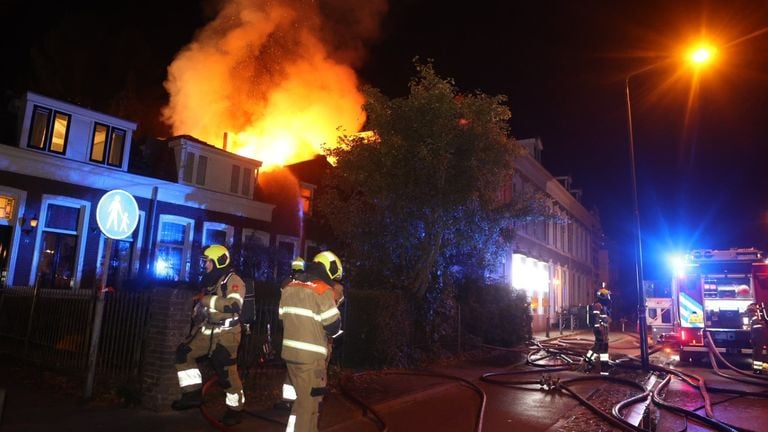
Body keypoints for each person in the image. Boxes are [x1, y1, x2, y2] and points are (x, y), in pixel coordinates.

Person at [171, 244, 246, 427]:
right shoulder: (212, 281)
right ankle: (192, 394)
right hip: (209, 329)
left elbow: (234, 305)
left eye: (208, 262)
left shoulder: (233, 280)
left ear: (218, 261)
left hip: (228, 333)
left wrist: (206, 300)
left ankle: (235, 410)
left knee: (225, 371)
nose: (205, 265)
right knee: (184, 353)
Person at [279, 251, 343, 432]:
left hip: (290, 354)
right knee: (309, 406)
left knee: (302, 401)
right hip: (311, 359)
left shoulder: (290, 287)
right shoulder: (323, 291)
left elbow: (282, 316)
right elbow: (333, 326)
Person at [584, 287, 611, 375]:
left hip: (603, 329)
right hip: (599, 329)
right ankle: (587, 360)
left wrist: (607, 319)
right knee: (599, 346)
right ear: (603, 296)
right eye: (607, 296)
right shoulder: (597, 305)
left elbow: (602, 317)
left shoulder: (602, 306)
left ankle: (604, 363)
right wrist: (599, 327)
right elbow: (596, 318)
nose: (608, 298)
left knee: (604, 347)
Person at [747, 302, 768, 374]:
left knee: (756, 354)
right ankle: (758, 370)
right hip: (758, 337)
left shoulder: (753, 316)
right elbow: (759, 325)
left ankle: (757, 370)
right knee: (758, 354)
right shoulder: (755, 316)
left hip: (756, 337)